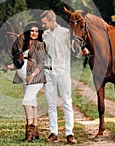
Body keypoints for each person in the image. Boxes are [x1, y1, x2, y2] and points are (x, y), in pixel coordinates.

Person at [40, 10, 77, 144]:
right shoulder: (45, 35)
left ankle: (69, 133)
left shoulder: (66, 33)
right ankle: (53, 132)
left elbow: (76, 51)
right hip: (49, 73)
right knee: (51, 104)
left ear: (52, 21)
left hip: (63, 72)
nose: (43, 25)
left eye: (45, 23)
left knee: (67, 101)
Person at [5, 21, 46, 142]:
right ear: (28, 32)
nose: (34, 33)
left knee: (26, 101)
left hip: (35, 78)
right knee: (32, 103)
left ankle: (29, 132)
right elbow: (21, 61)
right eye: (32, 31)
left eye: (36, 31)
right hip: (24, 79)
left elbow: (41, 63)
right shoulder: (23, 44)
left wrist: (32, 75)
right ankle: (35, 129)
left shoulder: (40, 44)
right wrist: (9, 67)